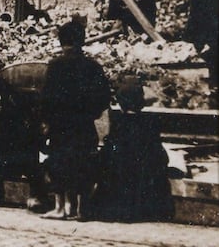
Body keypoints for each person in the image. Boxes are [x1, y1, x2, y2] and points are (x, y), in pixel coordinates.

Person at [41, 18, 111, 221]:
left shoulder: (55, 66)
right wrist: (92, 114)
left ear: (62, 42)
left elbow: (46, 97)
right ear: (82, 41)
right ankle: (81, 208)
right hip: (83, 124)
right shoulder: (92, 66)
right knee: (83, 162)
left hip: (60, 125)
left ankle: (61, 208)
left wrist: (47, 120)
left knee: (59, 162)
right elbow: (104, 96)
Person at [91, 76, 173, 222]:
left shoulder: (119, 123)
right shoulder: (149, 122)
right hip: (144, 173)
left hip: (121, 173)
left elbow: (110, 150)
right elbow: (158, 151)